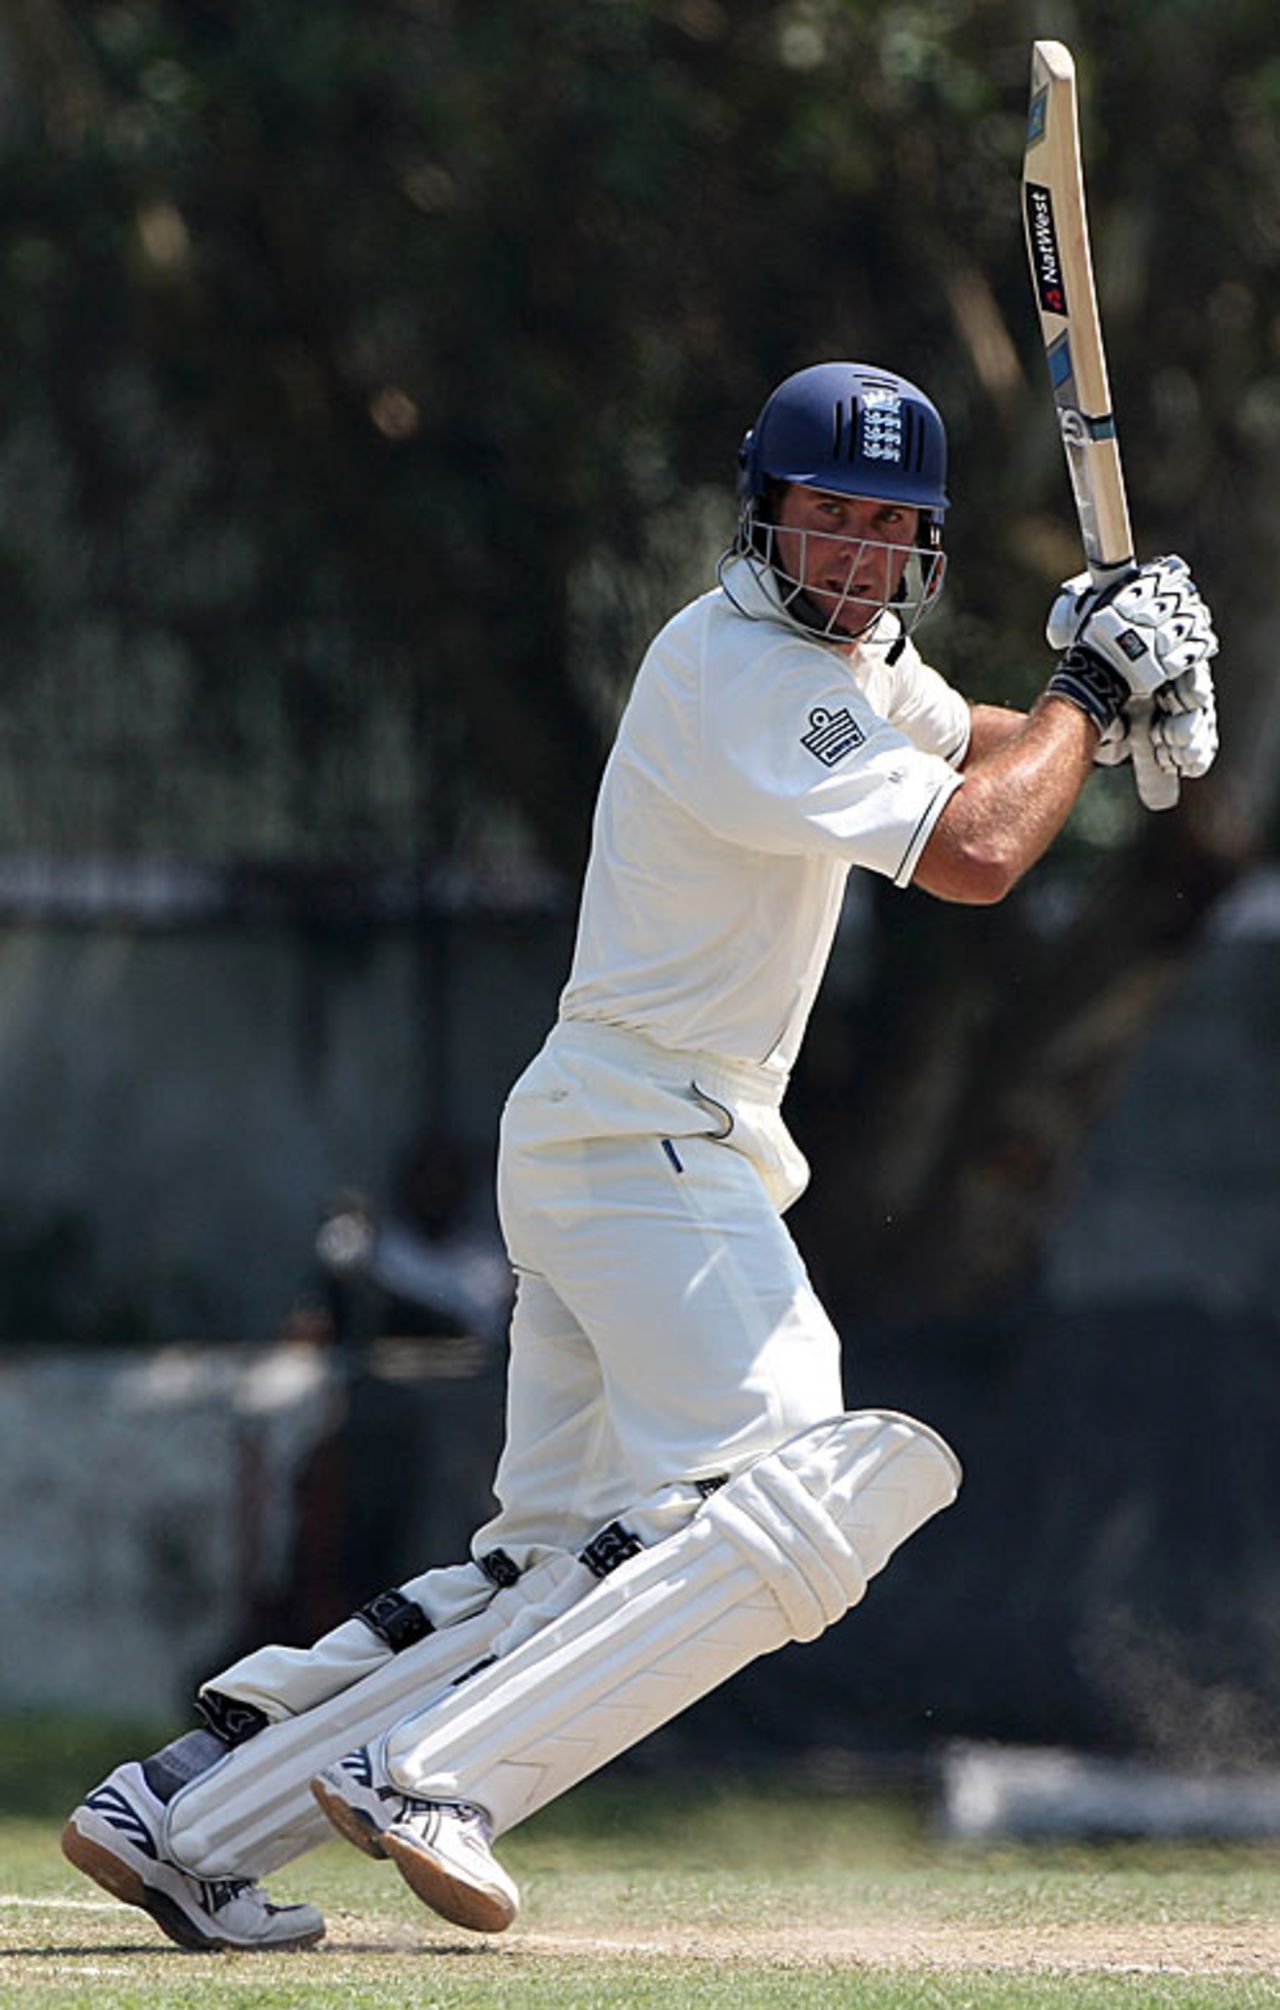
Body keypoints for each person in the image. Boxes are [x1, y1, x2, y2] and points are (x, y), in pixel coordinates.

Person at [61, 362, 1219, 1949]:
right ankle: (437, 1778)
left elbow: (987, 748)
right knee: (790, 1479)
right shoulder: (747, 670)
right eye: (832, 517)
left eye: (894, 527)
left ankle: (187, 1812)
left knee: (552, 1563)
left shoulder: (849, 653)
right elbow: (980, 844)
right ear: (765, 511)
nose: (863, 554)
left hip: (620, 1133)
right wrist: (1093, 694)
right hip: (648, 1132)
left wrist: (1113, 697)